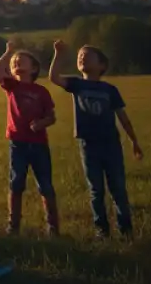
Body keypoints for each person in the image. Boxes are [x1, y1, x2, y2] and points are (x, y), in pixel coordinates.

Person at [50, 40, 142, 238]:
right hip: (88, 144)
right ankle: (102, 230)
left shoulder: (110, 90)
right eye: (80, 55)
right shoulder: (76, 84)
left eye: (88, 55)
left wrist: (134, 141)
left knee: (118, 188)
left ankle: (125, 230)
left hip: (110, 144)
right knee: (96, 190)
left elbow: (123, 118)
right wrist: (58, 54)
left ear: (102, 65)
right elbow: (54, 77)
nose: (82, 57)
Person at [0, 40, 58, 236]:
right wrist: (7, 52)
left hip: (39, 144)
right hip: (17, 143)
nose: (16, 62)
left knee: (45, 184)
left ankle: (53, 227)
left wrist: (41, 124)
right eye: (13, 62)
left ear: (34, 68)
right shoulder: (11, 86)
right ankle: (13, 226)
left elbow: (52, 117)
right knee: (16, 182)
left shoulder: (41, 92)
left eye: (21, 60)